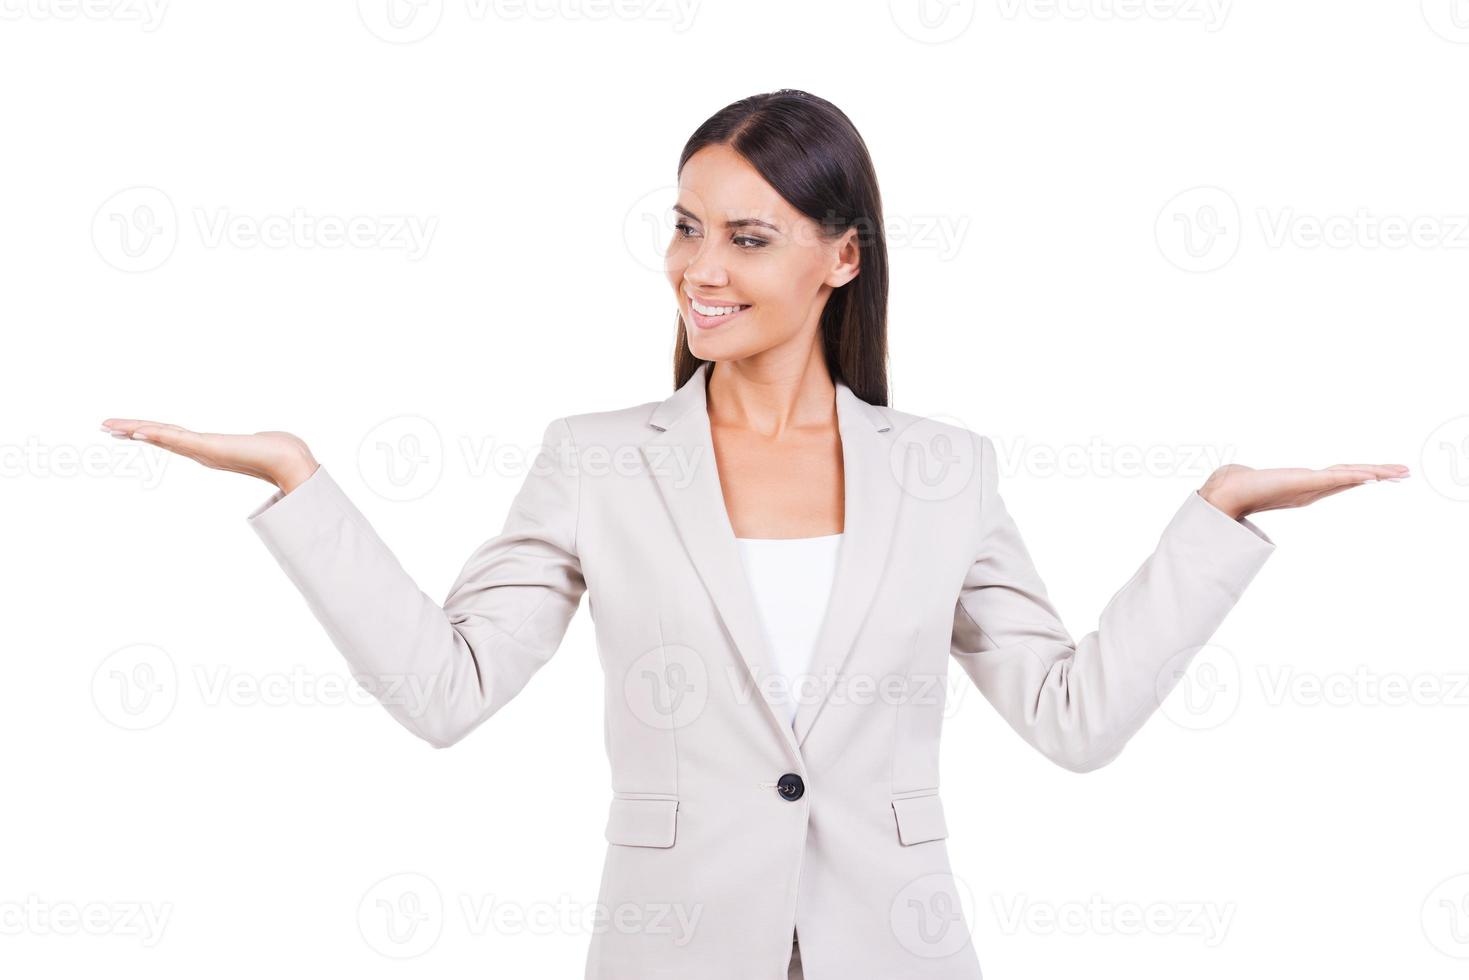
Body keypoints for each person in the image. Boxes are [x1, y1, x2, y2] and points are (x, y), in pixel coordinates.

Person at [101, 89, 1407, 979]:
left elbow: (1071, 718)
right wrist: (298, 483)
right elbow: (448, 693)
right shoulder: (598, 461)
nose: (697, 269)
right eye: (682, 226)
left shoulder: (943, 473)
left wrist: (1216, 516)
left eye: (745, 236)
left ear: (840, 258)